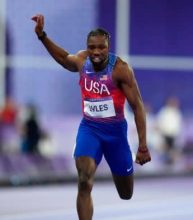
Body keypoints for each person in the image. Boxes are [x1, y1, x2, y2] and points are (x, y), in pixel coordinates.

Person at [31, 14, 151, 220]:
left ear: (108, 46)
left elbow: (138, 106)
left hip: (115, 134)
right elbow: (63, 58)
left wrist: (142, 145)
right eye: (91, 47)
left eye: (101, 47)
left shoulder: (121, 69)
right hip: (90, 129)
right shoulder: (82, 60)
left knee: (126, 193)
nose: (96, 52)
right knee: (84, 180)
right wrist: (42, 36)